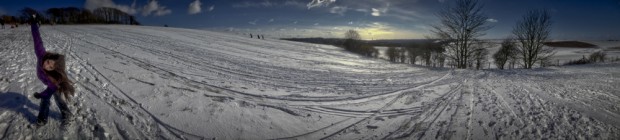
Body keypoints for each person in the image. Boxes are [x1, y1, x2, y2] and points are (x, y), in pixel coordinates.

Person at [30, 15, 75, 126]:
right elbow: (37, 38)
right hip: (48, 81)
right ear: (50, 57)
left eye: (50, 67)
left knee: (53, 98)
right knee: (48, 99)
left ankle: (61, 115)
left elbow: (48, 91)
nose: (47, 66)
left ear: (53, 70)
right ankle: (43, 118)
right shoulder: (41, 53)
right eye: (49, 62)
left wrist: (41, 95)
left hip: (53, 84)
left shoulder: (54, 78)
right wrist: (33, 24)